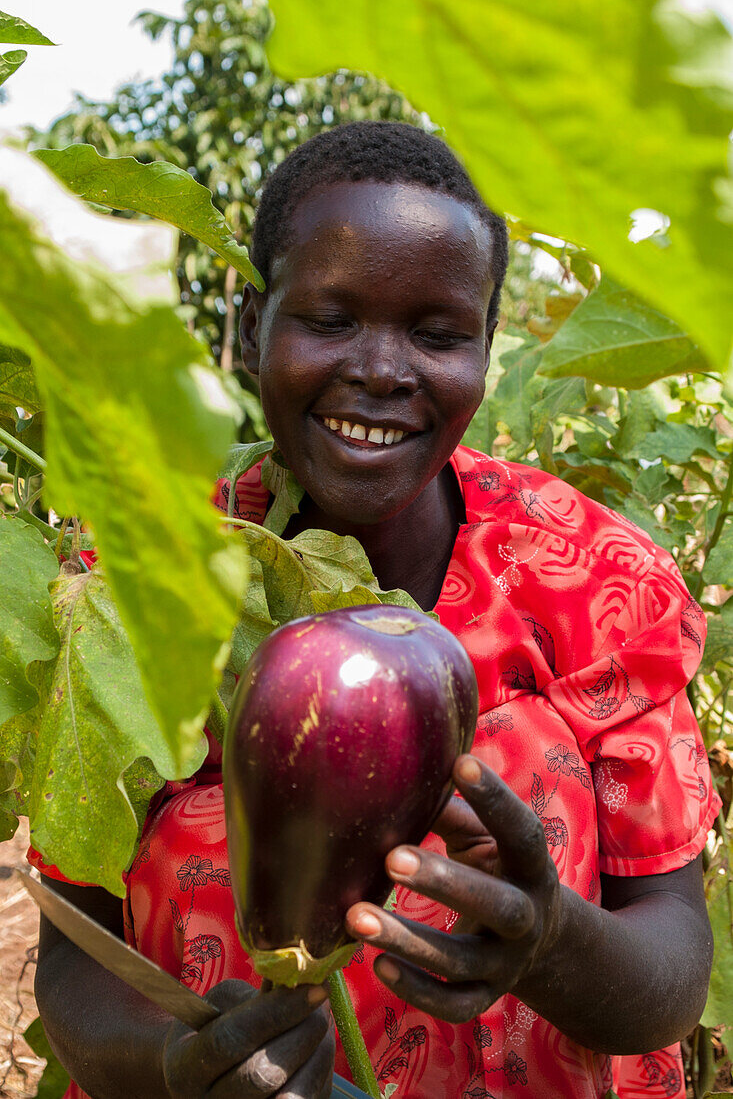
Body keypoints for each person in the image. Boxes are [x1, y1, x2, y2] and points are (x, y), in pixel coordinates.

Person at [32, 121, 720, 1099]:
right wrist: (177, 1066)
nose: (383, 369)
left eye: (438, 333)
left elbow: (669, 979)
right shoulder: (140, 582)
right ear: (256, 318)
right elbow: (75, 950)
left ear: (487, 346)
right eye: (330, 316)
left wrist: (550, 937)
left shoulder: (591, 574)